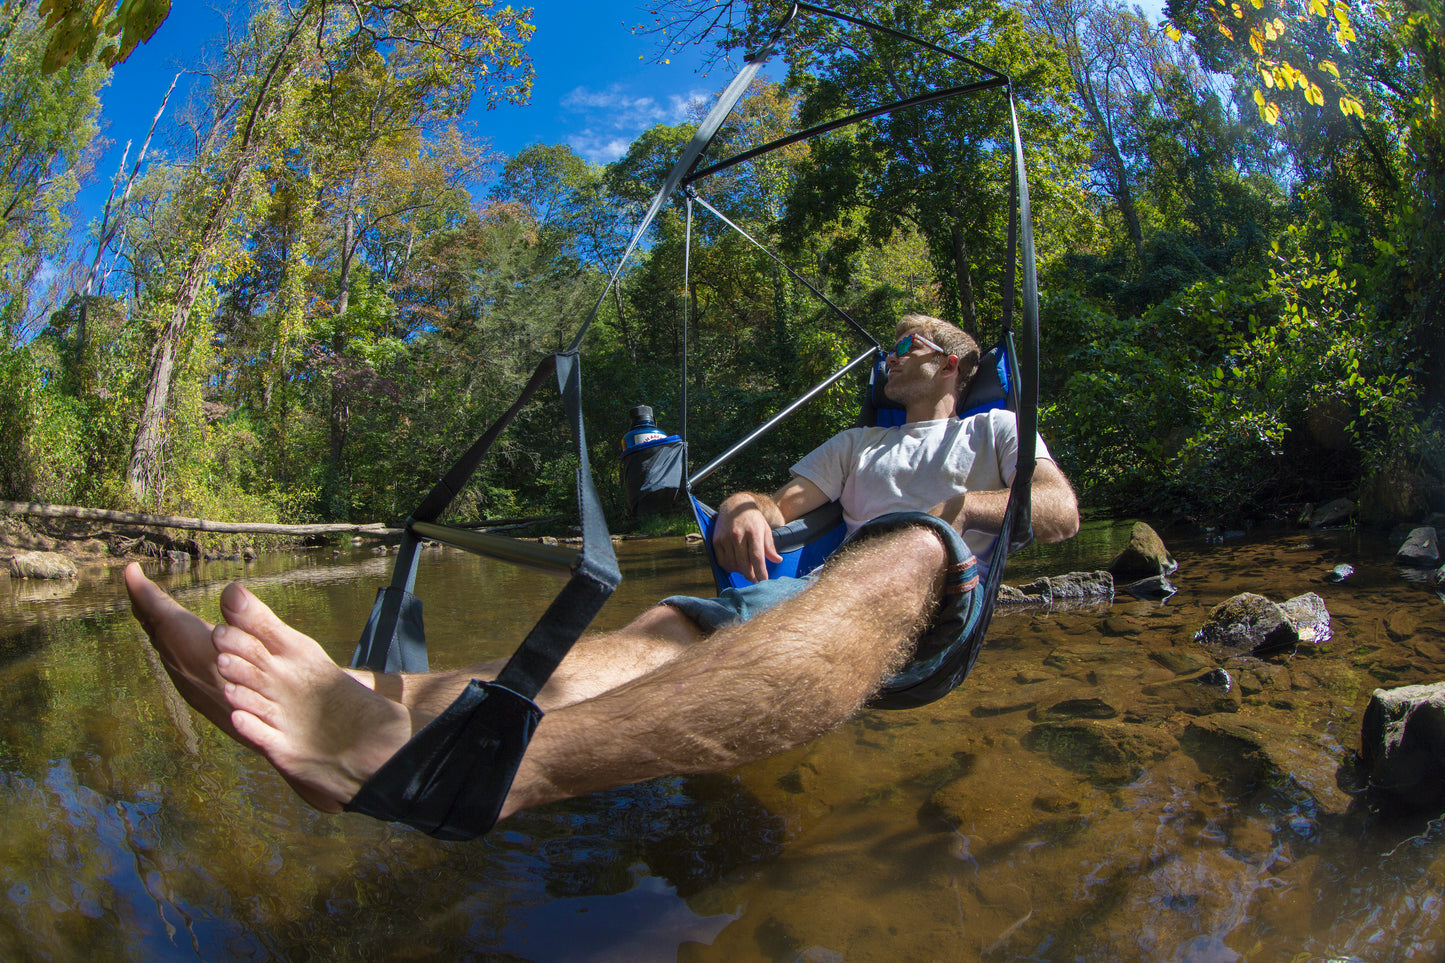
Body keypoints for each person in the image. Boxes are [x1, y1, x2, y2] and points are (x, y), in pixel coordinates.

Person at [126, 313, 1079, 828]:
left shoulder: (997, 431)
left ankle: (501, 773)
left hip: (929, 590)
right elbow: (772, 503)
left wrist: (956, 510)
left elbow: (1059, 513)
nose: (893, 354)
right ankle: (380, 694)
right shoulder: (849, 445)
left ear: (955, 364)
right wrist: (746, 510)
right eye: (891, 345)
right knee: (648, 636)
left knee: (906, 547)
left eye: (912, 342)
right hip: (799, 595)